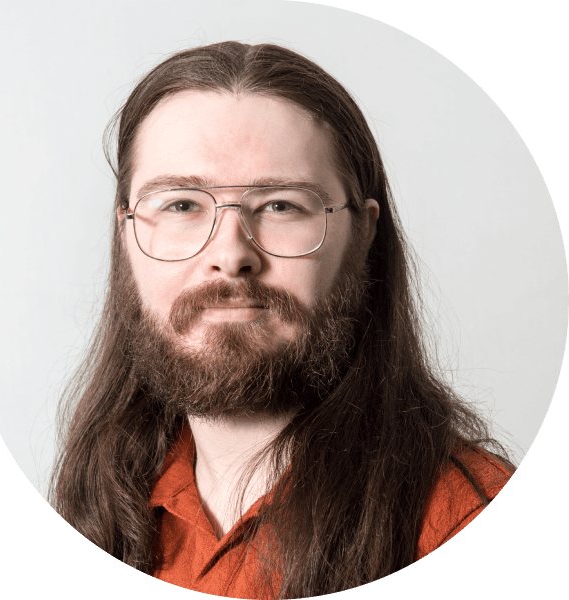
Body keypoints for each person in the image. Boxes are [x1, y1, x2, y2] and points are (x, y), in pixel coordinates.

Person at [51, 41, 513, 599]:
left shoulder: (471, 526)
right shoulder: (95, 507)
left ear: (363, 234)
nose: (230, 254)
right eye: (180, 204)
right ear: (125, 232)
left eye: (281, 205)